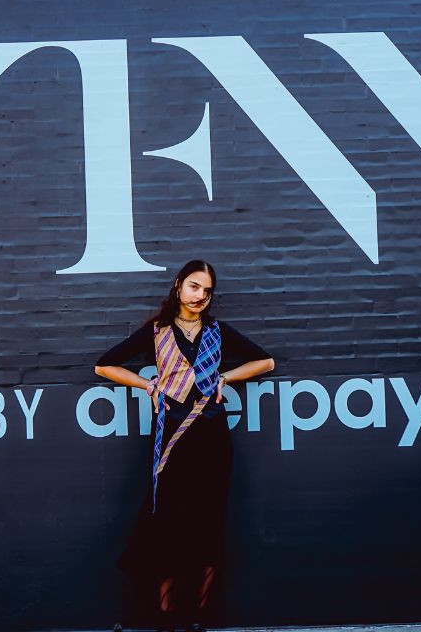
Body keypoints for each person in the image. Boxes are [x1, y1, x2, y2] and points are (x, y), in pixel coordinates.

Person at [94, 259, 275, 632]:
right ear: (178, 286)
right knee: (169, 524)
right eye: (194, 287)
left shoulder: (217, 332)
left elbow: (265, 362)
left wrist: (225, 377)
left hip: (211, 439)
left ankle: (200, 619)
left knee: (208, 522)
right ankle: (166, 619)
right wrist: (148, 385)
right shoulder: (157, 332)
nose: (200, 296)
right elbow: (104, 366)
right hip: (171, 440)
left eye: (207, 291)